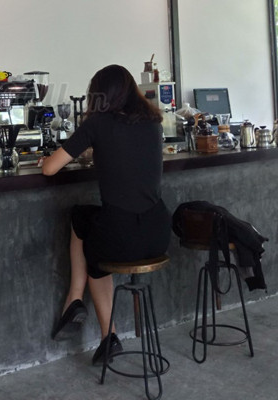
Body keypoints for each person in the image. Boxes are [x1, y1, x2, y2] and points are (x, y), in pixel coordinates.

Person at [40, 64, 171, 365]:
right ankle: (75, 300)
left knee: (87, 233)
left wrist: (53, 157)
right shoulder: (153, 123)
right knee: (86, 219)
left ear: (99, 95)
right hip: (157, 234)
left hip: (121, 238)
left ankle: (100, 327)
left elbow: (50, 168)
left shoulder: (97, 123)